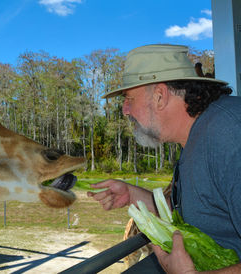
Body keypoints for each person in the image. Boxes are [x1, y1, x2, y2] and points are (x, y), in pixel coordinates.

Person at [88, 44, 241, 273]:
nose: (125, 110)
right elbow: (200, 213)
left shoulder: (228, 134)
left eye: (129, 98)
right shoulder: (195, 138)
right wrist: (133, 195)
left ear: (160, 96)